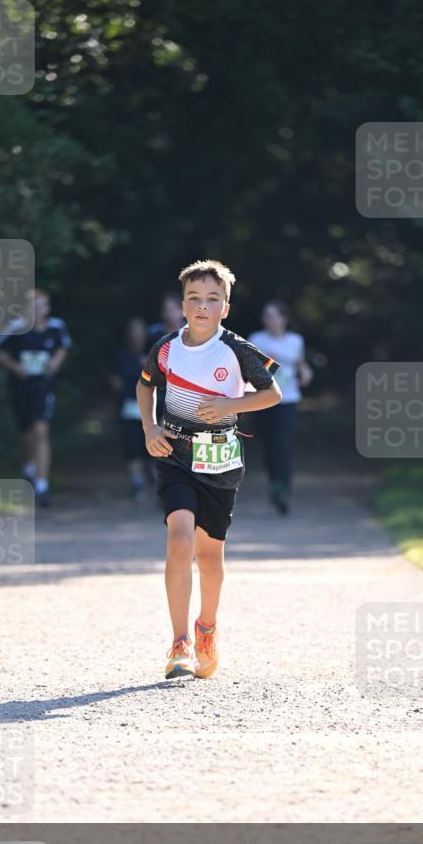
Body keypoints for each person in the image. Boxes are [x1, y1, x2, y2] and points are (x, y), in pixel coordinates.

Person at [136, 259, 282, 680]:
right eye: (194, 298)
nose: (203, 306)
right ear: (182, 305)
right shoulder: (166, 347)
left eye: (213, 299)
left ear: (226, 308)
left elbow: (273, 393)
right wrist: (149, 428)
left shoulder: (237, 349)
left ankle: (206, 629)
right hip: (174, 452)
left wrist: (229, 405)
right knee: (179, 537)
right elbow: (144, 386)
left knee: (209, 554)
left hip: (219, 458)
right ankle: (179, 642)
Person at [0, 288, 72, 507]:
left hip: (43, 387)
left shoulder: (56, 327)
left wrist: (55, 363)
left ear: (48, 308)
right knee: (27, 435)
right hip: (21, 387)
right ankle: (28, 467)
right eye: (33, 306)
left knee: (41, 430)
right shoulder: (16, 328)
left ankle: (42, 486)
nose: (37, 310)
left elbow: (63, 347)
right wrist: (15, 367)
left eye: (41, 305)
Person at [249, 300, 313, 514]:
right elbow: (248, 369)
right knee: (269, 445)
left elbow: (301, 365)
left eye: (273, 315)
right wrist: (267, 361)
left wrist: (306, 373)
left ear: (283, 318)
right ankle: (274, 482)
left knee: (282, 444)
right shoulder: (256, 339)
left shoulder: (296, 340)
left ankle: (284, 490)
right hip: (264, 399)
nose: (269, 319)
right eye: (266, 315)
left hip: (288, 399)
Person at [110, 317, 153, 500]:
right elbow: (115, 381)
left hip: (152, 407)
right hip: (128, 406)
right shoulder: (121, 356)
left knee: (151, 444)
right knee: (132, 444)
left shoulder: (152, 356)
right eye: (133, 333)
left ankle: (153, 475)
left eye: (139, 333)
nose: (136, 337)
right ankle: (137, 482)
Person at [146, 292, 185, 424]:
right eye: (166, 310)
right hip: (159, 390)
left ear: (182, 311)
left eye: (173, 310)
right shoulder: (152, 334)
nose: (169, 314)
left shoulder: (194, 333)